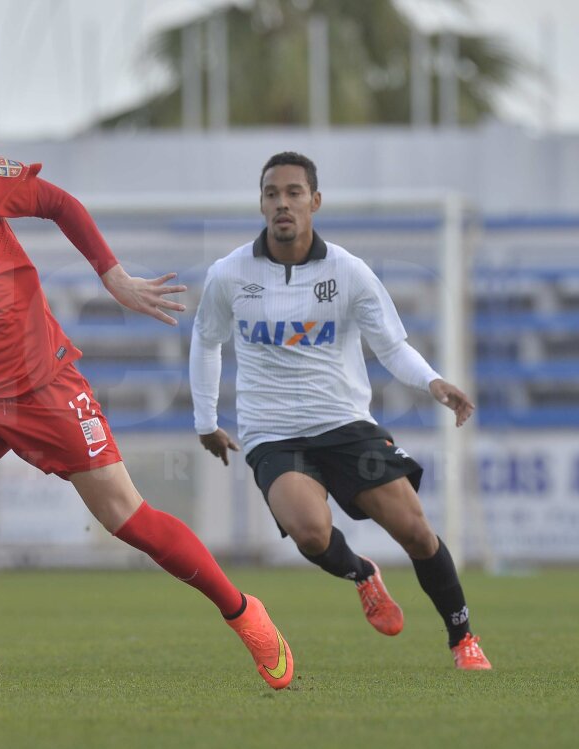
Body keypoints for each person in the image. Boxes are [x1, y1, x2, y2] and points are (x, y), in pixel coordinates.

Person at [0, 108, 294, 689]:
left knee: (127, 519)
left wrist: (111, 275)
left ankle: (244, 612)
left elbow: (57, 201)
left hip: (43, 384)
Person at [189, 151, 491, 671]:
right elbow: (206, 341)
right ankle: (363, 574)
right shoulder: (230, 274)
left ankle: (462, 638)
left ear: (315, 201)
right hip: (273, 434)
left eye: (293, 193)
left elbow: (392, 346)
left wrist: (433, 381)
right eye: (272, 194)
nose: (282, 203)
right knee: (310, 533)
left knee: (416, 531)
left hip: (346, 425)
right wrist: (205, 421)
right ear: (261, 204)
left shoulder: (348, 272)